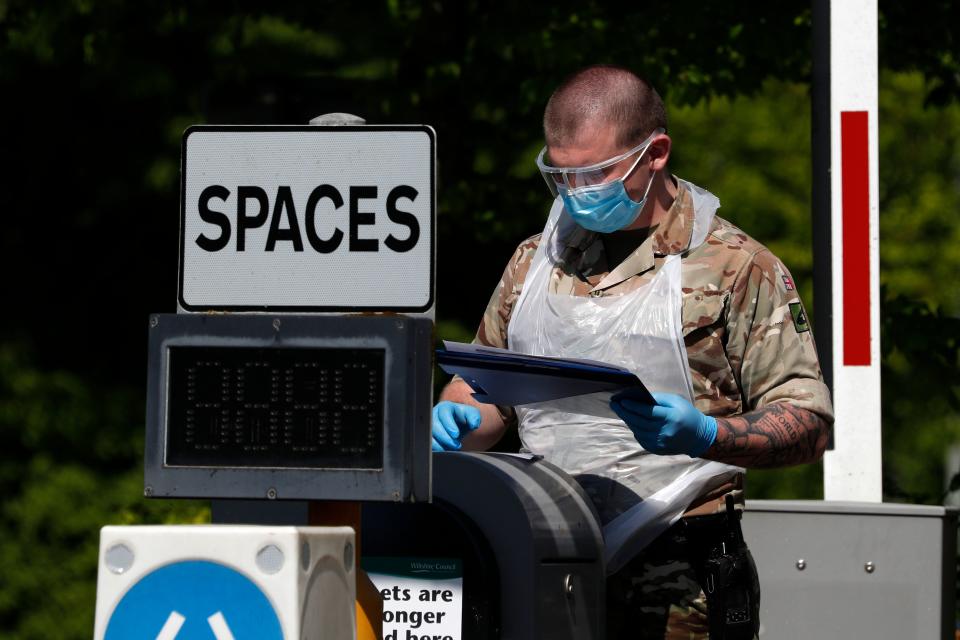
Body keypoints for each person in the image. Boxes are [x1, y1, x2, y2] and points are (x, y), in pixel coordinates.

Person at [432, 65, 833, 639]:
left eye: (595, 174)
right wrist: (461, 417)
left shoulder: (735, 266)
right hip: (542, 553)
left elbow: (809, 423)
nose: (577, 193)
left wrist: (708, 436)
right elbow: (486, 384)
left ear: (656, 153)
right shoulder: (534, 262)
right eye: (562, 176)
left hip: (679, 574)